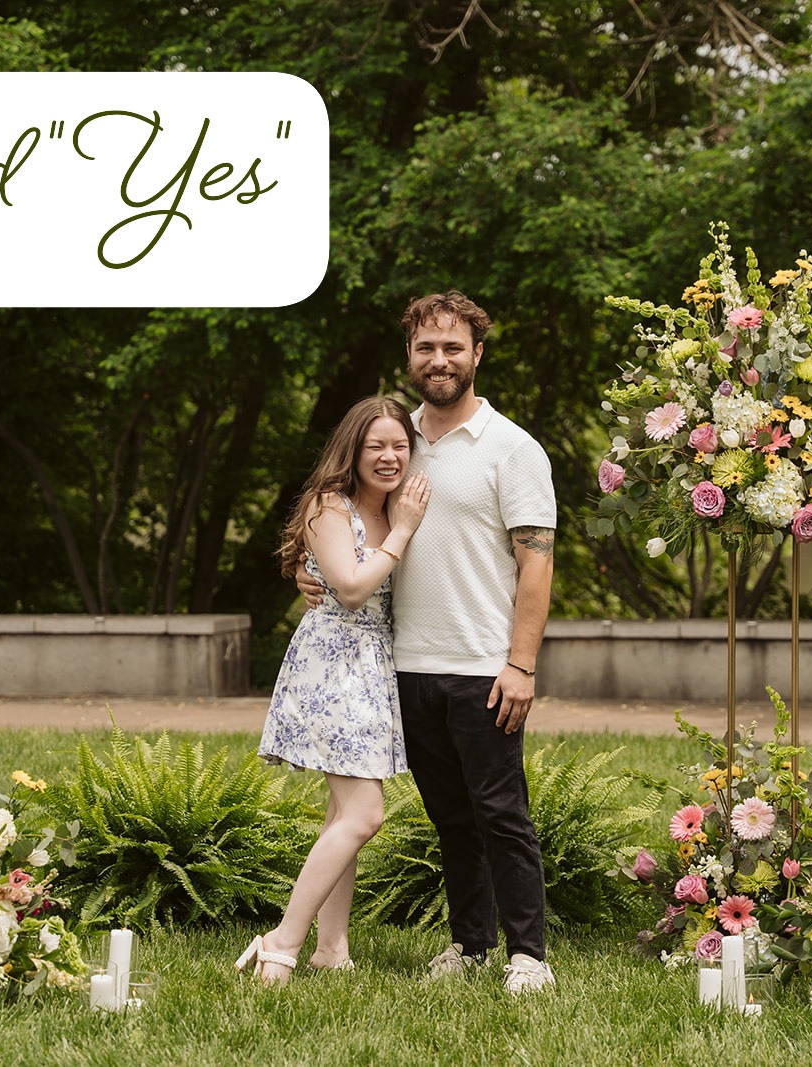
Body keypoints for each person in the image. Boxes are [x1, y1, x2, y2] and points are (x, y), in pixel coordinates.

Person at [297, 292, 558, 993]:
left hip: (485, 664)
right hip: (403, 664)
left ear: (477, 353)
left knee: (501, 812)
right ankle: (470, 943)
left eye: (453, 347)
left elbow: (536, 560)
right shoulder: (392, 438)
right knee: (450, 816)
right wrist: (310, 568)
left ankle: (528, 954)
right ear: (409, 355)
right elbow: (345, 518)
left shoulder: (513, 448)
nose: (438, 360)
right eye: (425, 348)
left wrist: (521, 663)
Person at [235, 395, 431, 985]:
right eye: (376, 446)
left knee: (343, 812)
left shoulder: (397, 507)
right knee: (365, 813)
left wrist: (399, 526)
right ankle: (281, 942)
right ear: (353, 450)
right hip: (333, 663)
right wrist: (401, 534)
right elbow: (348, 588)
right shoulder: (331, 504)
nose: (390, 456)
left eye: (400, 445)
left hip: (373, 666)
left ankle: (332, 948)